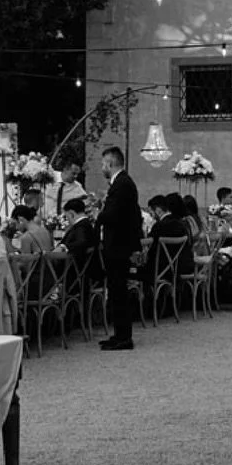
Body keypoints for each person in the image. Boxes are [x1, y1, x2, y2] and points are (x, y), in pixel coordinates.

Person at [97, 144, 142, 351]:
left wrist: (97, 213)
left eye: (103, 163)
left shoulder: (122, 184)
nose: (101, 168)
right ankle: (119, 334)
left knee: (118, 291)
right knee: (117, 291)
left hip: (118, 246)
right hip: (120, 245)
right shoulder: (123, 183)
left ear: (110, 163)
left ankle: (123, 337)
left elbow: (114, 215)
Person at [61, 197, 99, 264]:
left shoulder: (81, 226)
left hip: (73, 267)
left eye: (67, 217)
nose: (68, 220)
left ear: (71, 214)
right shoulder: (86, 224)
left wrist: (64, 247)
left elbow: (81, 242)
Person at [49, 157, 88, 221]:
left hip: (64, 222)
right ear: (65, 169)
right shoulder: (49, 177)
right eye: (73, 173)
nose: (76, 176)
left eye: (77, 174)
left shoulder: (78, 187)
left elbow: (85, 202)